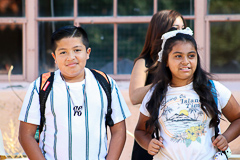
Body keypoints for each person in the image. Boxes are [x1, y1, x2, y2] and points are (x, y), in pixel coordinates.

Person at [18, 26, 131, 160]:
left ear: (87, 52)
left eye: (77, 50)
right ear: (54, 56)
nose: (71, 57)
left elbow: (119, 131)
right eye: (63, 52)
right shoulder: (41, 86)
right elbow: (26, 135)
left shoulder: (105, 83)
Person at [134, 27, 240, 159]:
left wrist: (225, 137)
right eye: (178, 56)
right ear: (166, 61)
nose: (185, 61)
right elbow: (140, 131)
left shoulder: (214, 89)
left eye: (191, 56)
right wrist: (148, 143)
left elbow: (238, 118)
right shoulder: (155, 93)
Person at [129, 10, 186, 160]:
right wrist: (164, 81)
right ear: (161, 30)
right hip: (150, 139)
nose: (180, 32)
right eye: (175, 28)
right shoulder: (145, 62)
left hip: (180, 137)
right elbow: (134, 96)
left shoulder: (187, 61)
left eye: (183, 27)